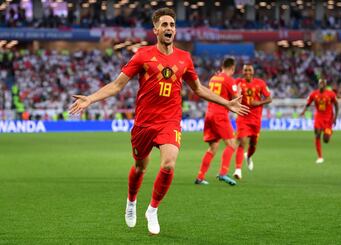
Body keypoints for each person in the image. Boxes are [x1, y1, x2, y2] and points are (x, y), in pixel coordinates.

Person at [69, 8, 249, 235]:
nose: (169, 28)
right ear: (155, 30)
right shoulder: (143, 55)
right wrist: (90, 99)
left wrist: (227, 103)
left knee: (169, 163)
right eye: (164, 24)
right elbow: (117, 85)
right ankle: (131, 202)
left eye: (172, 24)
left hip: (170, 121)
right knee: (140, 167)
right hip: (144, 123)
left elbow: (199, 89)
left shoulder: (184, 58)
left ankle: (152, 209)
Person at [195, 57, 239, 186]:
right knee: (232, 144)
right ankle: (223, 173)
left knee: (213, 147)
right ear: (232, 68)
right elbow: (236, 100)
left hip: (209, 114)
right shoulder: (230, 80)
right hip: (220, 115)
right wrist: (239, 92)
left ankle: (200, 177)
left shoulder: (213, 78)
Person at [233, 64, 272, 179]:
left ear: (253, 72)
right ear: (242, 71)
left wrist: (258, 103)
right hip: (242, 117)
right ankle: (238, 169)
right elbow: (229, 89)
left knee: (253, 144)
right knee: (242, 142)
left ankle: (249, 157)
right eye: (245, 70)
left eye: (249, 70)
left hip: (256, 120)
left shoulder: (260, 83)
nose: (247, 72)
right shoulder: (237, 82)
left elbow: (269, 99)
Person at [300, 79, 338, 164]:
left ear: (325, 85)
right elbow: (308, 103)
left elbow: (336, 105)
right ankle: (320, 157)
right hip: (319, 117)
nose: (321, 85)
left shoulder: (331, 94)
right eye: (320, 83)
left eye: (323, 83)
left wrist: (335, 117)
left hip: (328, 118)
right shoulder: (314, 94)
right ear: (318, 84)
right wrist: (303, 111)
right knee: (317, 135)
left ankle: (329, 132)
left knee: (326, 140)